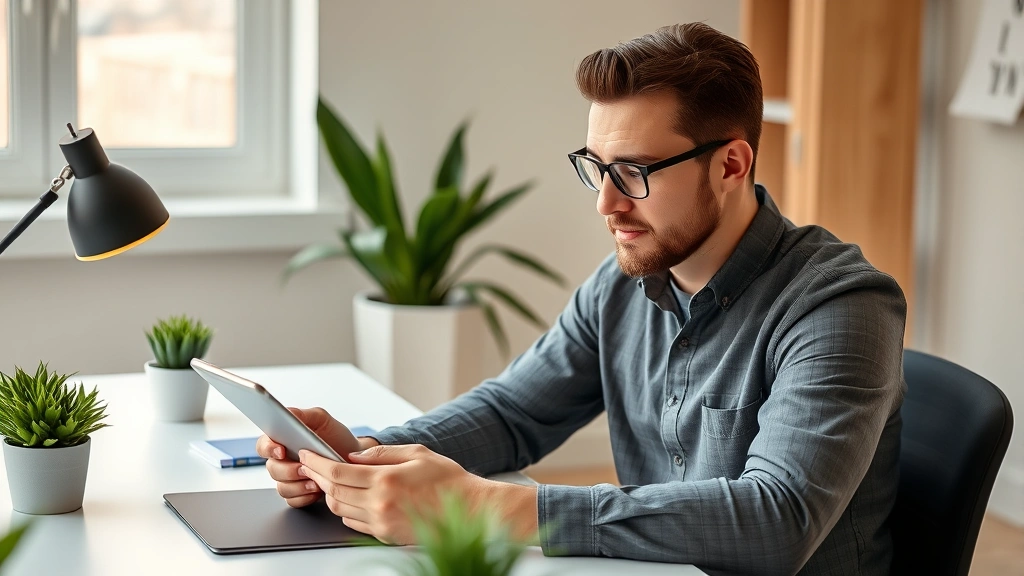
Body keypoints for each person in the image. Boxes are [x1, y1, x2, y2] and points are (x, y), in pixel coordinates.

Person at [256, 22, 906, 576]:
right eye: (596, 167)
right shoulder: (622, 283)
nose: (606, 203)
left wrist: (487, 505)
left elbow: (778, 520)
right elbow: (514, 414)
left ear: (731, 165)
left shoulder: (841, 306)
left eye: (634, 173)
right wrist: (363, 458)